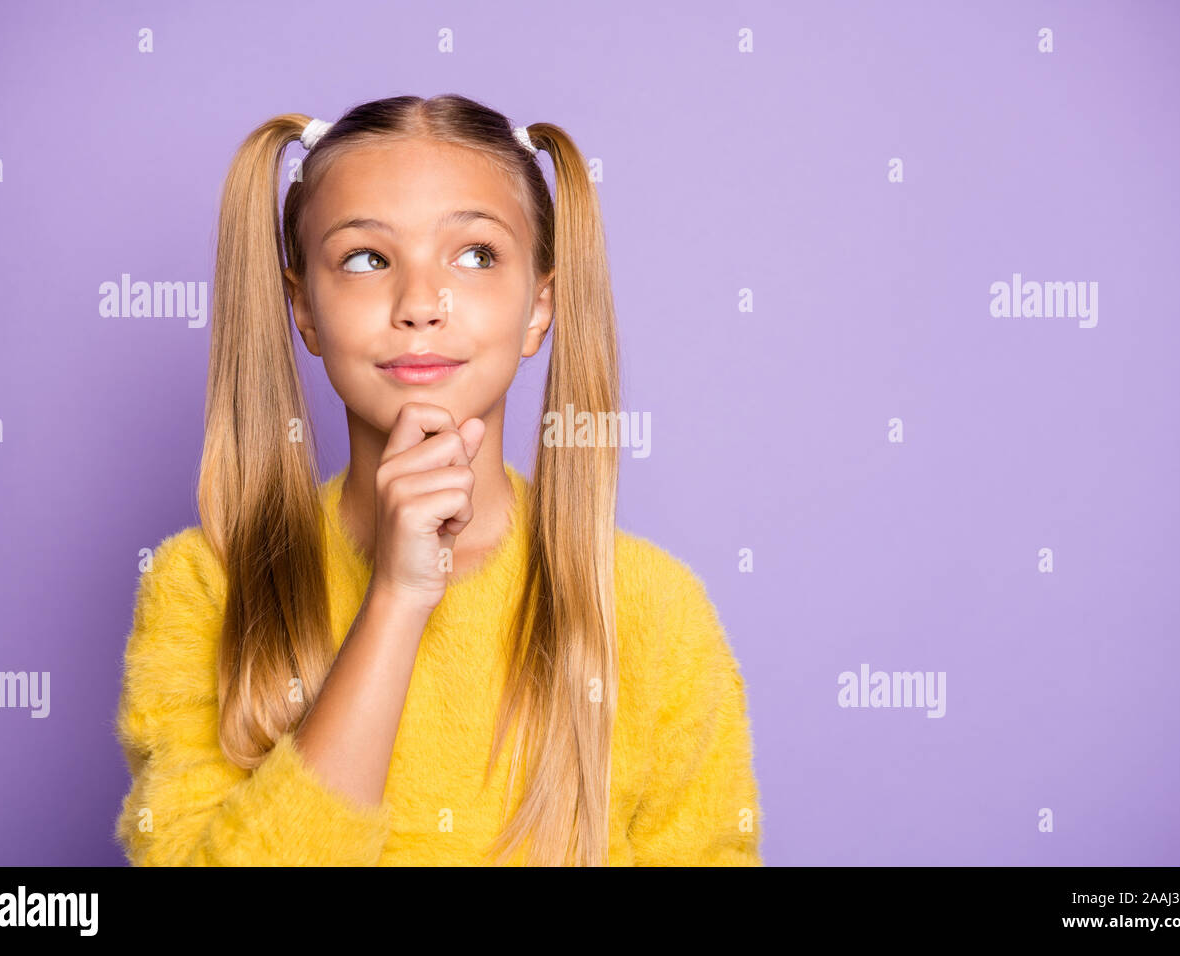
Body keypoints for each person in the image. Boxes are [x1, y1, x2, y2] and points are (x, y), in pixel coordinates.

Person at [113, 94, 762, 866]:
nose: (422, 303)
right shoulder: (206, 587)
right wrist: (395, 598)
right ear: (305, 311)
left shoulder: (655, 612)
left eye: (476, 255)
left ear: (538, 307)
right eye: (365, 259)